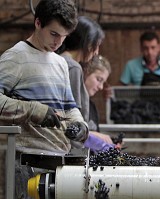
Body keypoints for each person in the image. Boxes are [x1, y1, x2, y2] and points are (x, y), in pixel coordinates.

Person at [0, 0, 88, 198]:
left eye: (64, 37)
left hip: (61, 162)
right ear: (38, 23)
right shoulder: (15, 57)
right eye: (54, 34)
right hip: (28, 164)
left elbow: (69, 106)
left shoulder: (60, 63)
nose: (58, 43)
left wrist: (80, 124)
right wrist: (33, 110)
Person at [57, 16, 116, 151]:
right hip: (68, 149)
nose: (96, 52)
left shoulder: (59, 61)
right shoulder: (72, 67)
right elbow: (72, 120)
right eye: (97, 45)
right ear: (88, 43)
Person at [120, 31, 160, 107]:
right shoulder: (131, 65)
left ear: (159, 47)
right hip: (140, 108)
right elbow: (118, 88)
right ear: (141, 48)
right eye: (146, 48)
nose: (150, 52)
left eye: (153, 47)